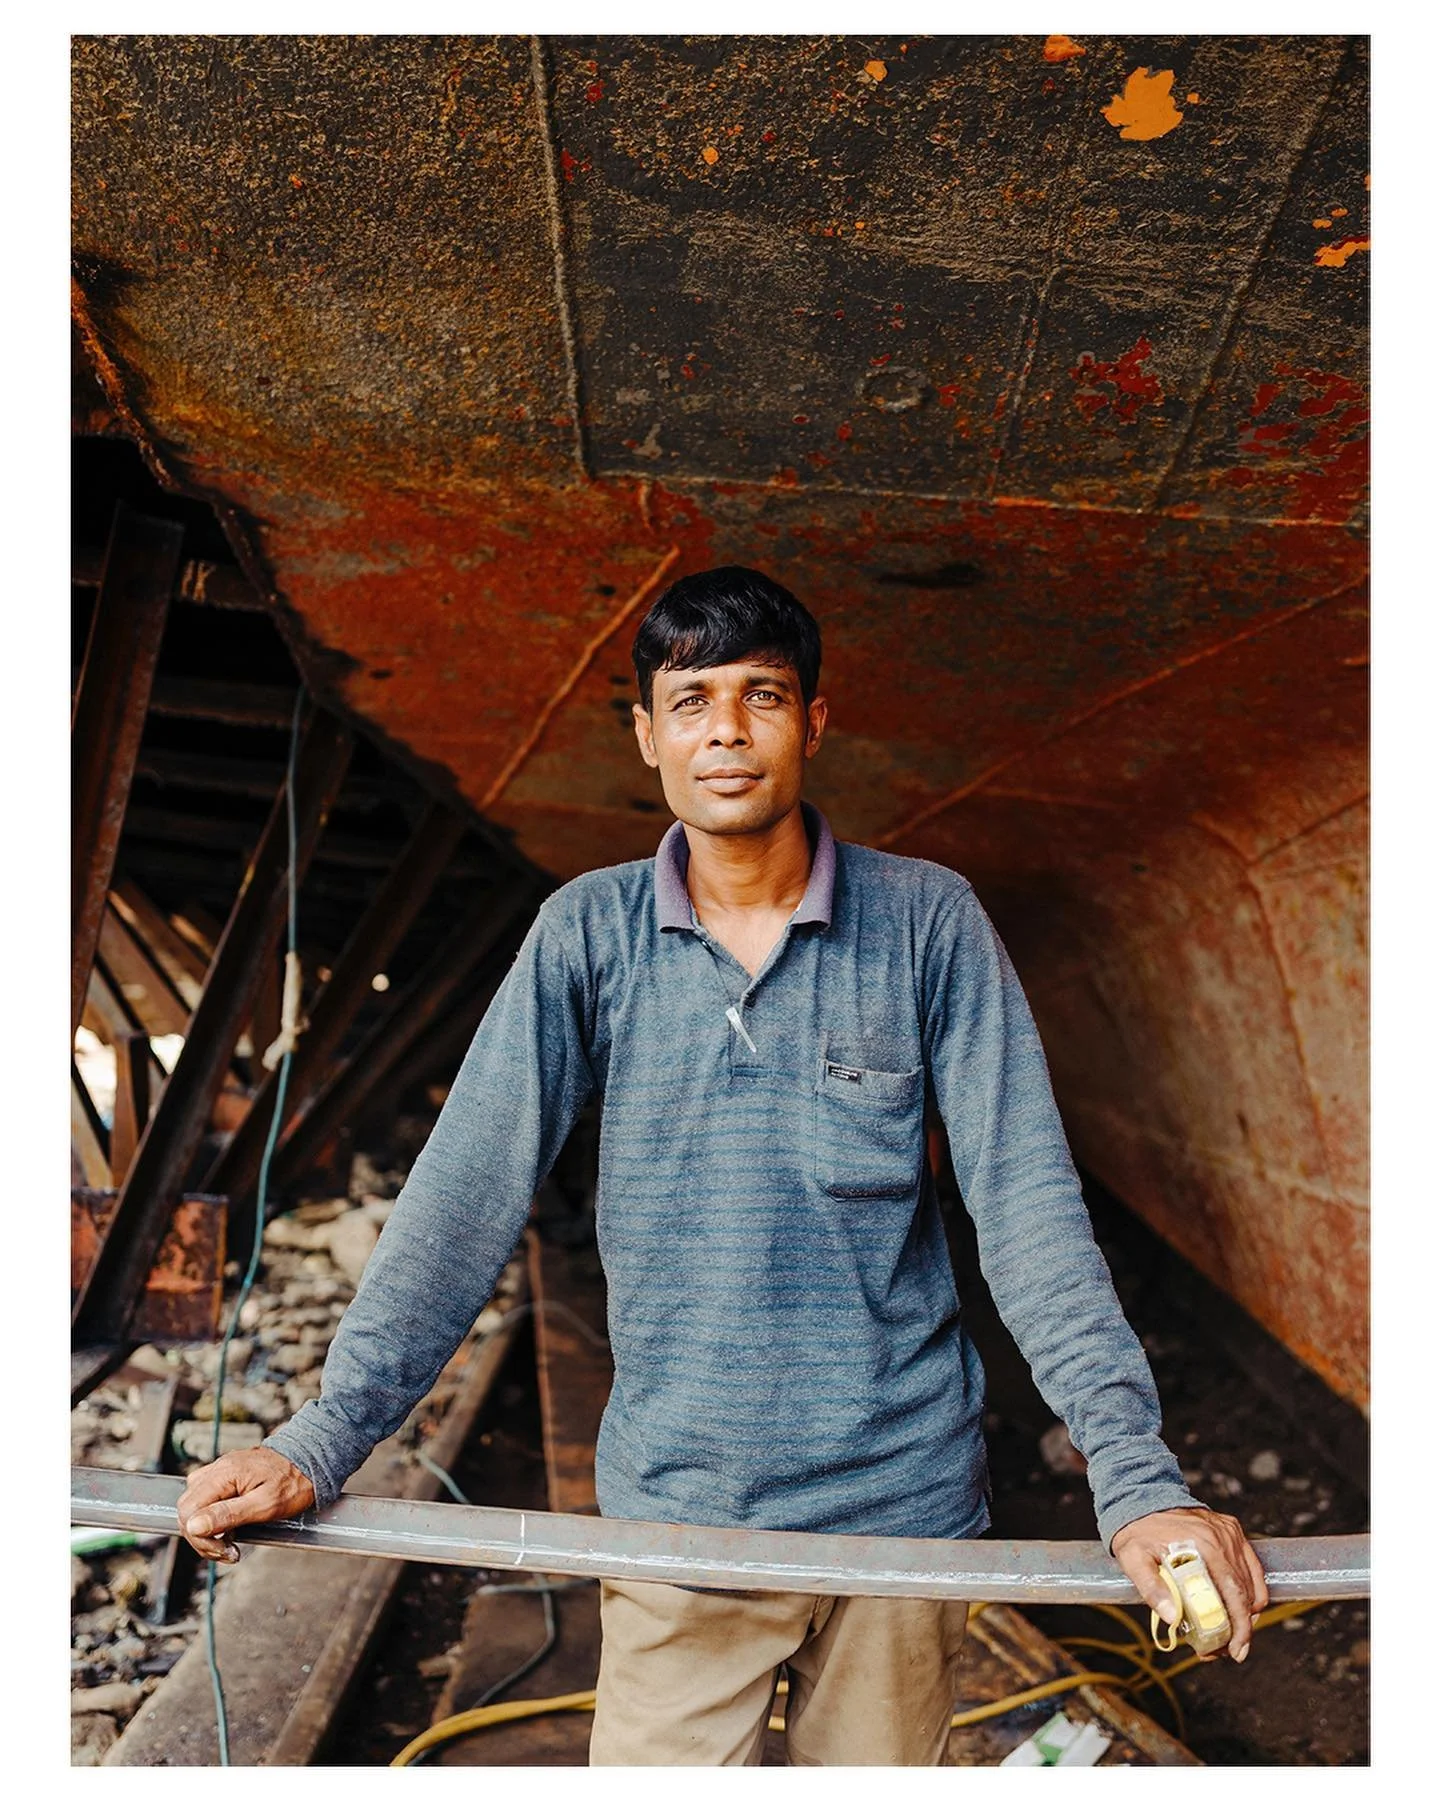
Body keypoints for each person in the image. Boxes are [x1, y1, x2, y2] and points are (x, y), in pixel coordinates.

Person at [178, 566, 1268, 1765]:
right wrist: (320, 1442)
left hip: (901, 1524)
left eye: (762, 695)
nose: (728, 732)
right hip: (681, 1522)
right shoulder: (585, 937)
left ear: (814, 720)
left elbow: (1029, 1212)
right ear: (647, 736)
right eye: (692, 702)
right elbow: (463, 1200)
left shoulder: (929, 924)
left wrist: (1136, 1479)